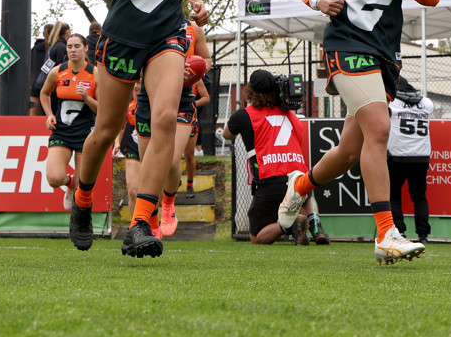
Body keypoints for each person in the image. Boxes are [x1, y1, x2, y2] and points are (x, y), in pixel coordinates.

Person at [277, 0, 440, 264]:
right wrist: (318, 0)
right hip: (345, 46)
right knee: (380, 130)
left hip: (385, 54)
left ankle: (301, 183)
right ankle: (386, 233)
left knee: (351, 150)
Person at [71, 0, 208, 258]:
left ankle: (140, 222)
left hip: (166, 35)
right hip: (123, 35)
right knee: (106, 131)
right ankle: (81, 202)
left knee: (164, 119)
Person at [223, 69, 330, 246]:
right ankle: (315, 226)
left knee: (257, 237)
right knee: (303, 191)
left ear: (250, 90)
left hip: (269, 180)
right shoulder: (291, 115)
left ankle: (290, 226)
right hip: (298, 177)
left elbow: (227, 134)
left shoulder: (244, 115)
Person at [136, 20, 210, 238]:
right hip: (149, 98)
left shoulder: (193, 29)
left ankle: (168, 203)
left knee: (169, 161)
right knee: (147, 163)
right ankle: (151, 220)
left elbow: (206, 60)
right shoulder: (145, 23)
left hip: (182, 99)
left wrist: (193, 69)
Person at [40, 33, 98, 212]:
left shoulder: (94, 73)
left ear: (86, 48)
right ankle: (69, 183)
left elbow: (101, 109)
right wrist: (49, 114)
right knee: (54, 179)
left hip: (85, 134)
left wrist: (86, 97)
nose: (73, 50)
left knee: (83, 185)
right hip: (62, 132)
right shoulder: (58, 71)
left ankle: (76, 190)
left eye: (77, 46)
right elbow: (44, 94)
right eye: (70, 46)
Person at [387, 76, 434, 245]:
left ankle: (400, 233)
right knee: (420, 196)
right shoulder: (427, 103)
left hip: (397, 156)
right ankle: (423, 235)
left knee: (394, 195)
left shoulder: (391, 103)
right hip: (421, 156)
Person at [112, 79, 142, 217]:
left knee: (156, 197)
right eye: (134, 83)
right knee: (132, 192)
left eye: (140, 83)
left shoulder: (154, 103)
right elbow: (121, 127)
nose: (136, 86)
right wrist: (117, 143)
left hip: (152, 150)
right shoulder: (128, 105)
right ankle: (134, 227)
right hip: (133, 147)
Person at [183, 77, 210, 197]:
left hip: (190, 120)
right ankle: (173, 180)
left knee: (189, 155)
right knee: (172, 156)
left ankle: (190, 184)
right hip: (173, 121)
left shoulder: (195, 78)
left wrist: (192, 103)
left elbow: (206, 98)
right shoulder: (170, 74)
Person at [30, 23, 53, 116]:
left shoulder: (34, 49)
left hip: (34, 85)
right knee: (48, 115)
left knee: (32, 118)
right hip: (47, 85)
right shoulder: (53, 50)